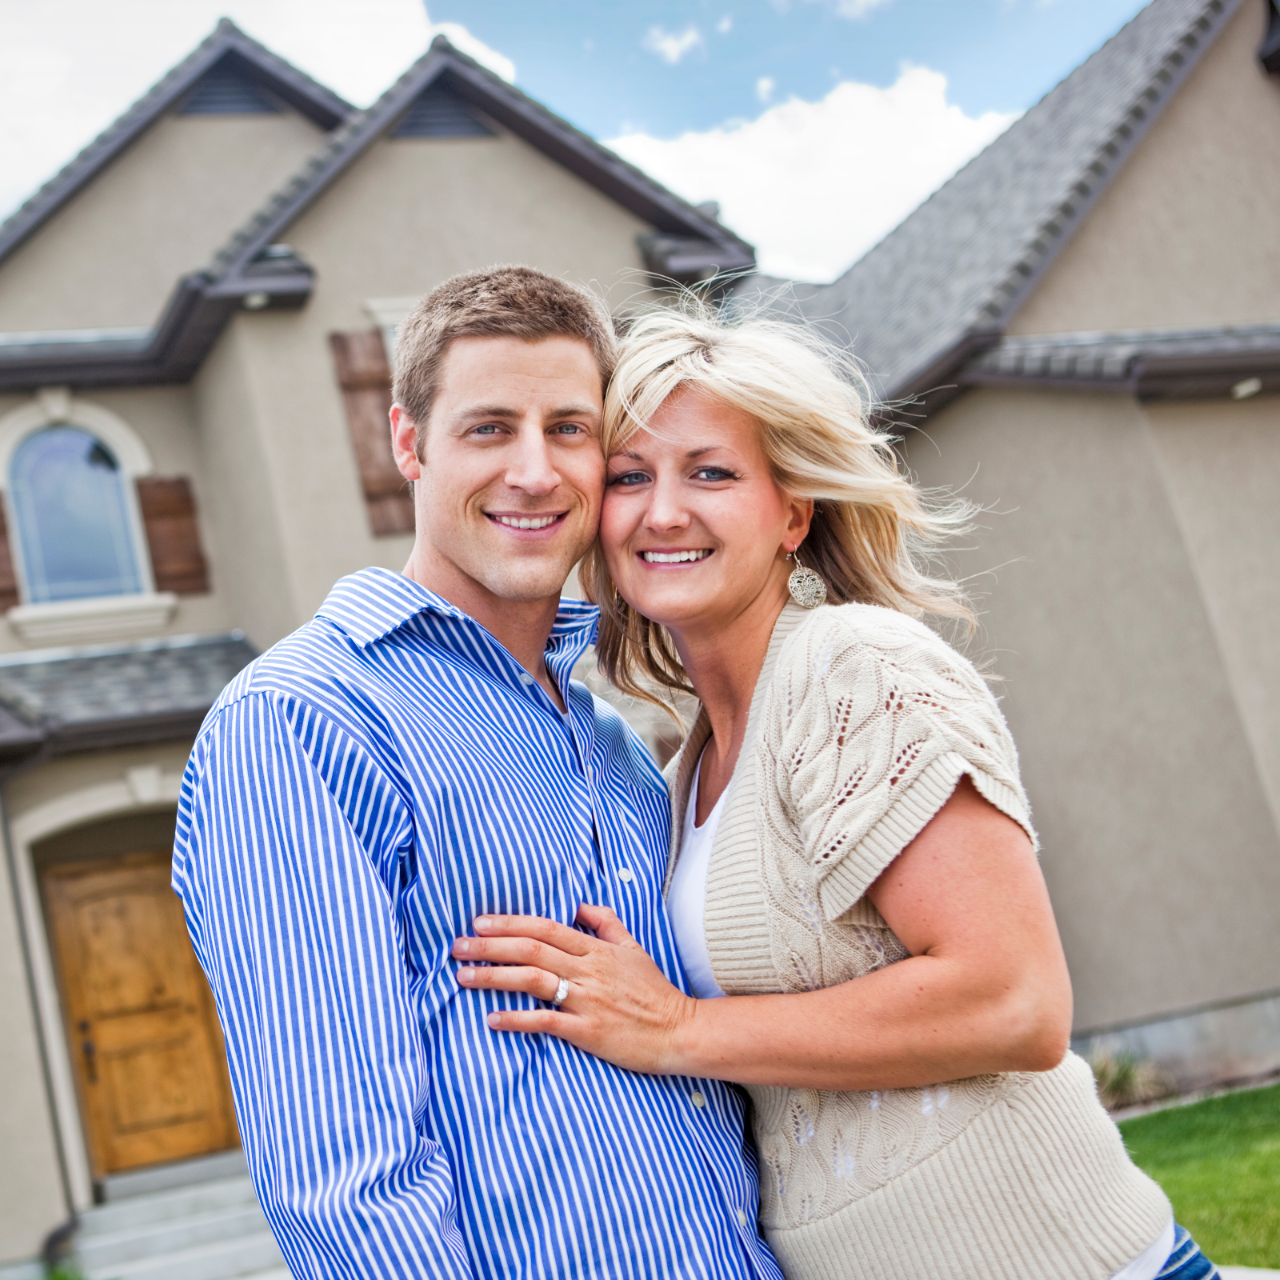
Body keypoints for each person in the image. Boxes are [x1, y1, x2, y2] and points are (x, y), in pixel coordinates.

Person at [450, 303, 1221, 1280]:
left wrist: (677, 1028)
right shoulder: (692, 759)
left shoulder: (853, 668)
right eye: (631, 476)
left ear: (792, 512)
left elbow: (1015, 1001)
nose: (662, 510)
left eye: (711, 472)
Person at [172, 268, 783, 1280]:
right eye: (489, 427)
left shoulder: (607, 738)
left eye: (569, 429)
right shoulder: (301, 722)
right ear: (408, 444)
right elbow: (343, 1182)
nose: (536, 472)